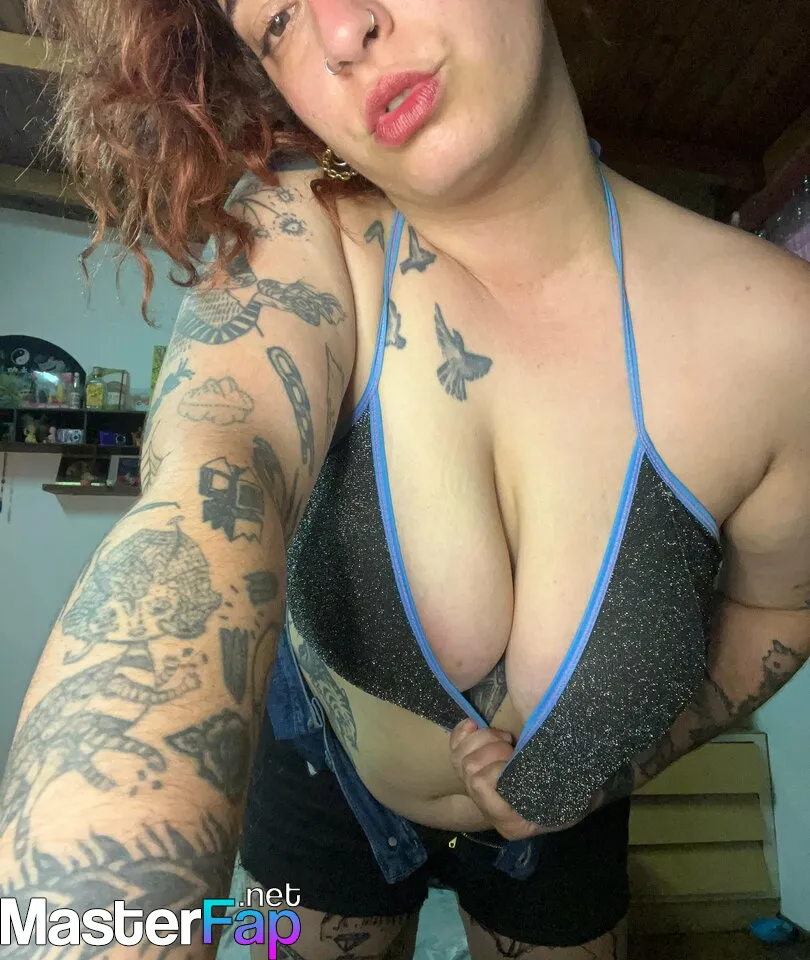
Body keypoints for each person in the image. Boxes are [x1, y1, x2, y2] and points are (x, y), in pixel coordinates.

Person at [2, 1, 809, 958]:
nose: (341, 33)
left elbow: (782, 606)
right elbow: (214, 478)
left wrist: (613, 766)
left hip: (569, 817)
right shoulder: (302, 232)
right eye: (278, 22)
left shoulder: (779, 339)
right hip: (321, 778)